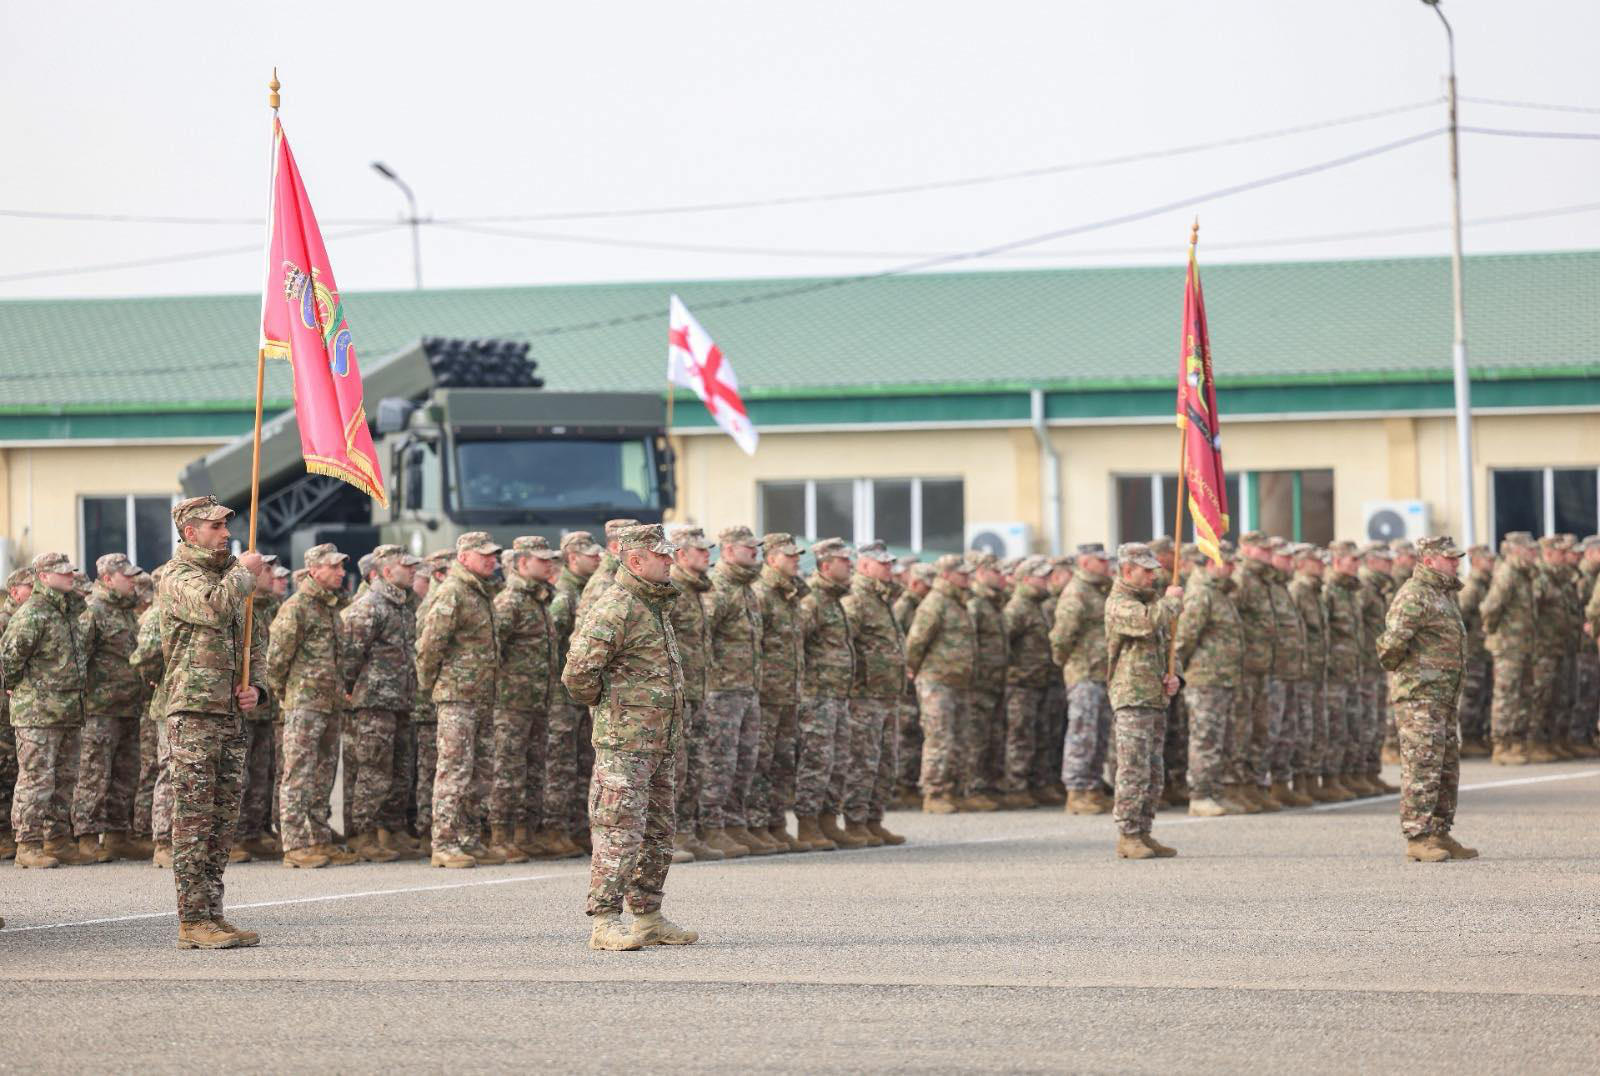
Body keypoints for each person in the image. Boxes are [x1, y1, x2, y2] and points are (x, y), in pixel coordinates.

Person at [562, 523, 697, 951]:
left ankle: (648, 916)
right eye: (662, 555)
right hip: (625, 745)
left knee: (658, 832)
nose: (671, 561)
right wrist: (613, 708)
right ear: (635, 560)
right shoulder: (616, 607)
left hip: (660, 742)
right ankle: (604, 921)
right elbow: (578, 673)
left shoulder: (654, 605)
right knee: (619, 830)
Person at [159, 496, 268, 948]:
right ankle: (191, 919)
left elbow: (253, 642)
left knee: (223, 818)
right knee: (194, 817)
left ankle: (213, 914)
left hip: (226, 712)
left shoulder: (230, 579)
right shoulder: (176, 576)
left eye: (226, 525)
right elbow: (211, 608)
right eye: (216, 526)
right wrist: (244, 574)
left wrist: (255, 688)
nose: (225, 533)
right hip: (194, 712)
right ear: (191, 532)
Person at [1376, 536, 1475, 863]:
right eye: (1449, 558)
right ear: (1430, 560)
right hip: (1420, 698)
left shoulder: (1445, 595)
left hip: (1444, 697)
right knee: (1422, 765)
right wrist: (1415, 675)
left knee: (1446, 766)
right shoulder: (1414, 594)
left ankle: (1440, 832)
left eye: (1457, 557)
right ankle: (1417, 837)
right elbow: (1391, 645)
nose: (1456, 562)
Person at [415, 532, 504, 868]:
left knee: (480, 772)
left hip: (480, 696)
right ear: (463, 557)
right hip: (456, 696)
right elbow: (429, 645)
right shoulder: (453, 592)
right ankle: (445, 842)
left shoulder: (479, 592)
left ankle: (469, 838)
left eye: (493, 555)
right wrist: (432, 686)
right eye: (484, 555)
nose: (491, 560)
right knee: (453, 770)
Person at [265, 544, 355, 870]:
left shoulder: (330, 608)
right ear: (315, 570)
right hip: (304, 703)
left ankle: (318, 837)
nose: (342, 573)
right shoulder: (297, 608)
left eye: (342, 567)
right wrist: (285, 694)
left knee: (324, 774)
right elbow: (275, 660)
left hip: (329, 703)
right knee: (298, 774)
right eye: (335, 567)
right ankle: (295, 844)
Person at [3, 552, 92, 868]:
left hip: (68, 710)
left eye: (71, 571)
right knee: (36, 779)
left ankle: (57, 840)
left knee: (65, 778)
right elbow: (9, 659)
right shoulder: (33, 614)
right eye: (62, 572)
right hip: (38, 712)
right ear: (43, 577)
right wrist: (18, 688)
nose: (70, 576)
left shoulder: (68, 611)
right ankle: (27, 845)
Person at [341, 545, 426, 862]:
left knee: (401, 768)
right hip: (375, 701)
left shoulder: (403, 605)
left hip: (402, 699)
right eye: (407, 566)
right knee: (374, 769)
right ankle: (363, 833)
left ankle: (392, 829)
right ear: (387, 571)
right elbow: (350, 654)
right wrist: (349, 689)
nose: (414, 570)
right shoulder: (370, 605)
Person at [1104, 542, 1184, 859]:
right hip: (1132, 695)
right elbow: (1147, 622)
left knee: (1153, 770)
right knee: (1133, 768)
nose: (1153, 576)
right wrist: (1173, 602)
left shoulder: (1150, 601)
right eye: (1147, 571)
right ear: (1128, 570)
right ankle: (1128, 834)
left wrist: (1174, 675)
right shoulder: (1119, 603)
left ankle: (1145, 830)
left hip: (1153, 694)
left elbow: (1164, 647)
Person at [489, 536, 561, 863]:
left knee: (534, 770)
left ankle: (525, 833)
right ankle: (498, 835)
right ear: (521, 563)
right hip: (511, 703)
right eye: (541, 559)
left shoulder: (540, 599)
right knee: (508, 769)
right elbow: (494, 650)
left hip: (538, 700)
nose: (549, 564)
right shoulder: (510, 601)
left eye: (550, 559)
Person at [71, 553, 146, 863]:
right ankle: (87, 837)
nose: (133, 580)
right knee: (94, 774)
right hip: (100, 708)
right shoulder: (94, 611)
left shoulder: (128, 612)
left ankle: (117, 835)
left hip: (129, 706)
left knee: (125, 773)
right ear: (107, 579)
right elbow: (78, 659)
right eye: (126, 576)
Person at [838, 539, 907, 846]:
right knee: (863, 760)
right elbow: (844, 644)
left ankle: (873, 818)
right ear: (864, 566)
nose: (890, 567)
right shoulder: (856, 599)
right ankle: (855, 820)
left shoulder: (882, 598)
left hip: (886, 693)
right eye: (884, 563)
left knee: (885, 761)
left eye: (891, 563)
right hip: (864, 694)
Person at [701, 525, 764, 856]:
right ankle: (711, 826)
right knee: (719, 761)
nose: (754, 551)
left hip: (747, 688)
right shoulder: (719, 588)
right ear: (726, 551)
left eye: (755, 546)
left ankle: (734, 823)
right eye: (747, 547)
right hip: (723, 690)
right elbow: (702, 635)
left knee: (745, 760)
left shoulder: (746, 588)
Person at [663, 525, 722, 862]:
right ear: (680, 555)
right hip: (677, 693)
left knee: (697, 765)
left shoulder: (697, 590)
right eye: (700, 550)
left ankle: (688, 831)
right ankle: (668, 838)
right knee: (677, 768)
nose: (707, 555)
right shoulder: (672, 592)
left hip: (698, 691)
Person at [1173, 541, 1244, 817]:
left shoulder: (1218, 593)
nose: (1232, 569)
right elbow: (1185, 637)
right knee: (1205, 738)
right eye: (1228, 564)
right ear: (1213, 564)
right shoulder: (1201, 594)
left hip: (1222, 677)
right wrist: (1180, 671)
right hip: (1205, 678)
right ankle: (1200, 794)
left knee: (1219, 738)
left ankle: (1214, 791)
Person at [904, 554, 976, 813]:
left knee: (960, 738)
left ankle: (958, 791)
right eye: (961, 573)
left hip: (958, 681)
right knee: (939, 737)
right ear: (946, 575)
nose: (967, 578)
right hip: (936, 681)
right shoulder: (935, 603)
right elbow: (916, 642)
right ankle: (934, 793)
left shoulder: (959, 602)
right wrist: (911, 668)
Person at [543, 532, 600, 859]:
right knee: (560, 764)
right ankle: (554, 829)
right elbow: (551, 643)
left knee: (582, 761)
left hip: (581, 692)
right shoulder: (564, 594)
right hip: (563, 692)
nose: (596, 559)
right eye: (589, 554)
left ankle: (578, 828)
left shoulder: (586, 589)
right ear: (572, 558)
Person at [797, 537, 855, 851]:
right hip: (817, 695)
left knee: (839, 760)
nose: (850, 565)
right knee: (817, 760)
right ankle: (808, 823)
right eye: (844, 561)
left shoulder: (835, 599)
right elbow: (797, 643)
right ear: (826, 565)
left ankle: (829, 819)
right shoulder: (813, 600)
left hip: (838, 694)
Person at [750, 533, 806, 853]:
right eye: (789, 555)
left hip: (788, 691)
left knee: (784, 761)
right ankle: (756, 824)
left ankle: (776, 823)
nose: (796, 559)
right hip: (766, 692)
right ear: (771, 559)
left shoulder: (790, 594)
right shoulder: (762, 593)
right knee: (761, 761)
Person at [1051, 544, 1114, 815]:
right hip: (1084, 672)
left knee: (1099, 733)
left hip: (1101, 672)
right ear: (1086, 563)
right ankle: (1076, 790)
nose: (1106, 565)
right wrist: (1069, 663)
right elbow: (1061, 636)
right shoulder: (1077, 592)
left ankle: (1092, 787)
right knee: (1082, 732)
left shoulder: (1098, 590)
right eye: (1100, 561)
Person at [998, 557, 1053, 809]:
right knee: (1019, 735)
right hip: (1020, 683)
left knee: (1038, 735)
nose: (1046, 581)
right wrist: (1013, 671)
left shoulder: (1036, 605)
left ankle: (1036, 783)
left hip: (1037, 681)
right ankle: (1015, 786)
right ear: (1027, 579)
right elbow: (1003, 644)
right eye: (1041, 577)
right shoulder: (1017, 607)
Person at [1232, 533, 1279, 813]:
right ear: (1246, 549)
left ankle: (1256, 785)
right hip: (1245, 666)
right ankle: (1238, 787)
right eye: (1262, 550)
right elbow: (1233, 621)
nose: (1267, 554)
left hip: (1262, 664)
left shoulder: (1264, 579)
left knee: (1260, 728)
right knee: (1242, 729)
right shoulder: (1242, 579)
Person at [1482, 532, 1538, 765]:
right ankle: (1501, 745)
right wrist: (1495, 633)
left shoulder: (1525, 574)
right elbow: (1490, 607)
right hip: (1508, 646)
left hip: (1523, 645)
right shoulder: (1507, 573)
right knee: (1506, 695)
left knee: (1523, 694)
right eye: (1528, 549)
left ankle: (1517, 742)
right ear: (1516, 550)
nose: (1533, 554)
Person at [1320, 542, 1369, 798]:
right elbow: (1324, 632)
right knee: (1335, 725)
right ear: (1337, 561)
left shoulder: (1350, 591)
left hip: (1352, 668)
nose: (1357, 565)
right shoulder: (1329, 590)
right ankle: (1330, 779)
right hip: (1334, 671)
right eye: (1352, 560)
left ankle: (1348, 775)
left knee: (1352, 724)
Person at [963, 552, 1008, 810]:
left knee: (993, 735)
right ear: (981, 573)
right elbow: (971, 644)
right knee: (976, 736)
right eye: (995, 571)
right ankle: (973, 788)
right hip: (979, 683)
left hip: (995, 681)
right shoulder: (976, 604)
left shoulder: (993, 603)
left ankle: (988, 786)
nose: (1001, 577)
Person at [0, 567, 35, 861]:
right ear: (15, 592)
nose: (35, 591)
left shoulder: (34, 617)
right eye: (29, 586)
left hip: (17, 707)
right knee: (5, 768)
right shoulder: (4, 621)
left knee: (14, 768)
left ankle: (10, 835)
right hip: (4, 706)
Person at [891, 563, 932, 806]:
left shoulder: (921, 604)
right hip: (907, 678)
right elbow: (900, 640)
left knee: (915, 732)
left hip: (918, 677)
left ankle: (910, 784)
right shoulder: (905, 606)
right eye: (926, 583)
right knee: (907, 732)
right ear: (915, 583)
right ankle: (904, 786)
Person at [1456, 545, 1495, 759]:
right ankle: (1470, 737)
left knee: (1484, 694)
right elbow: (1462, 618)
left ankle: (1479, 736)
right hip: (1474, 650)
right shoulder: (1471, 587)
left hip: (1484, 649)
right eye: (1487, 559)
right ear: (1476, 561)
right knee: (1472, 694)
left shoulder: (1486, 584)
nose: (1491, 563)